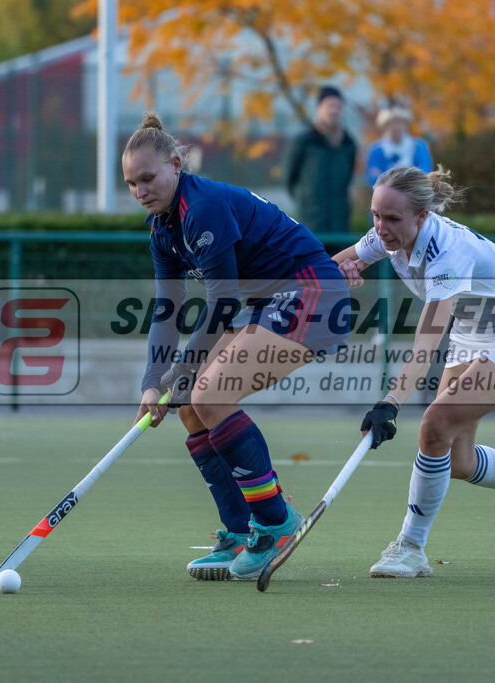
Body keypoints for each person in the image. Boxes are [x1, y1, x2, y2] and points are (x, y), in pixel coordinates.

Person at [124, 113, 351, 581]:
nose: (140, 191)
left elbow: (223, 299)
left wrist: (183, 369)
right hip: (270, 300)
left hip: (312, 292)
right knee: (188, 405)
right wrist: (154, 382)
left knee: (207, 393)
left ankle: (274, 525)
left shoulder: (201, 208)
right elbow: (167, 309)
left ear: (175, 164)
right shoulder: (162, 229)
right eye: (130, 184)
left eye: (148, 178)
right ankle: (240, 531)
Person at [332, 165, 495, 578]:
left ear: (421, 217)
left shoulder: (447, 254)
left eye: (392, 219)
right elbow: (337, 264)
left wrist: (390, 402)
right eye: (375, 215)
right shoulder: (387, 235)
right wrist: (340, 272)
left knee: (435, 424)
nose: (381, 227)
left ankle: (410, 547)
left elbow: (426, 344)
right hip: (473, 328)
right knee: (457, 460)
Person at [285, 85, 358, 234]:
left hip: (340, 224)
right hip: (311, 223)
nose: (334, 111)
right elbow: (290, 179)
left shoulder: (348, 144)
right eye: (329, 106)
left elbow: (348, 178)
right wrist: (306, 201)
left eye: (338, 106)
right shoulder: (304, 142)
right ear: (319, 107)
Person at [364, 106, 433, 188]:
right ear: (384, 126)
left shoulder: (419, 145)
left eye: (399, 123)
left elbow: (425, 170)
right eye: (390, 124)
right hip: (386, 193)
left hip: (415, 191)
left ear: (406, 125)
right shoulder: (376, 149)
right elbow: (373, 177)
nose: (395, 127)